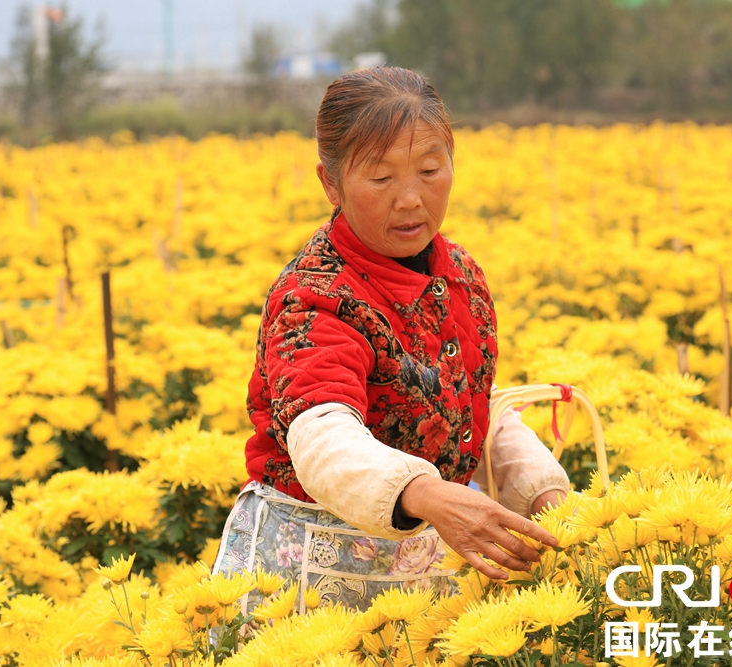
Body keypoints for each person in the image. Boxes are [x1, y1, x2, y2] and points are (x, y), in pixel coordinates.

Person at [212, 66, 570, 612]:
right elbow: (323, 438)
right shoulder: (315, 296)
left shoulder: (459, 274)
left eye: (430, 170)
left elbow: (467, 401)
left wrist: (542, 491)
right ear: (330, 182)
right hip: (306, 582)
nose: (410, 199)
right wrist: (427, 494)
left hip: (419, 571)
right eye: (381, 179)